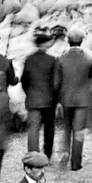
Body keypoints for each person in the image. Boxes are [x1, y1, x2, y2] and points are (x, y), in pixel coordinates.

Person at [58, 30, 92, 172]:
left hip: (66, 99)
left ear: (68, 41)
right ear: (82, 41)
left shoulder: (61, 58)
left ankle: (65, 153)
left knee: (67, 128)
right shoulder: (89, 58)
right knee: (79, 131)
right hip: (83, 100)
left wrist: (60, 96)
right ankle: (76, 162)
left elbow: (57, 81)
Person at [20, 32, 60, 160]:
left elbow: (24, 80)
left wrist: (29, 92)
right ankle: (47, 153)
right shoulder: (52, 60)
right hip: (49, 99)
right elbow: (55, 81)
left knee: (33, 127)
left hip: (33, 98)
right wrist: (56, 97)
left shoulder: (28, 59)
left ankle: (32, 153)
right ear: (44, 44)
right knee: (49, 127)